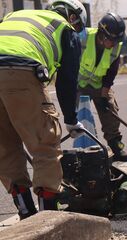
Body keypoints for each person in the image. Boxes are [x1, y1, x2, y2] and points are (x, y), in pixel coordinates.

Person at [0, 0, 87, 219]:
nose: (77, 30)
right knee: (45, 145)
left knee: (6, 146)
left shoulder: (15, 17)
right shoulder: (65, 29)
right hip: (20, 69)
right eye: (78, 26)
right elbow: (67, 82)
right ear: (73, 17)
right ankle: (47, 219)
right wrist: (71, 120)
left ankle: (26, 212)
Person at [77, 12, 127, 162]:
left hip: (98, 84)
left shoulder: (116, 47)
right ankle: (78, 150)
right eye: (112, 40)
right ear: (102, 35)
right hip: (76, 83)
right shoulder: (83, 37)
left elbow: (112, 71)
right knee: (72, 115)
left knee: (110, 109)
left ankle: (116, 146)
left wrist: (104, 94)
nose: (114, 44)